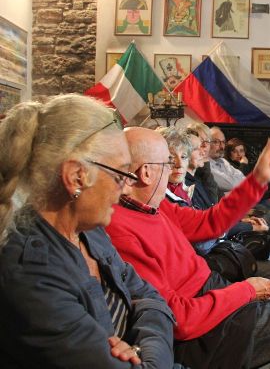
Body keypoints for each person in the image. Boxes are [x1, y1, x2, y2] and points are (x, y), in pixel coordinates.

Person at [105, 127, 270, 369]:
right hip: (204, 335)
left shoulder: (153, 205)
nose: (174, 169)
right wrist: (246, 291)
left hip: (212, 297)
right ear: (145, 172)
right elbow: (178, 319)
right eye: (166, 162)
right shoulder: (121, 231)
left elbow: (210, 222)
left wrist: (258, 178)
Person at [0, 95, 175, 368]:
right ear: (76, 177)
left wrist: (139, 348)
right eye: (121, 174)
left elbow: (152, 299)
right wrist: (151, 353)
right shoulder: (31, 275)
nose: (128, 187)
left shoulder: (89, 233)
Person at [160, 127, 270, 281]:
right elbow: (206, 232)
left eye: (184, 156)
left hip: (209, 254)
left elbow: (210, 217)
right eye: (171, 159)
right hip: (200, 267)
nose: (178, 164)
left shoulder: (186, 185)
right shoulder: (162, 199)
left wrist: (258, 179)